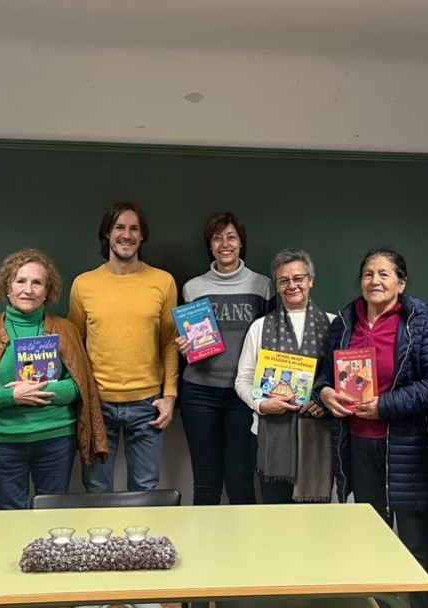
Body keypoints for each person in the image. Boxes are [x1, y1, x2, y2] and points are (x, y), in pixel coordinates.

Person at [314, 247, 428, 608]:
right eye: (368, 274)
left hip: (409, 451)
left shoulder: (422, 322)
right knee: (373, 545)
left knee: (417, 549)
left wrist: (384, 406)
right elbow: (323, 375)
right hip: (358, 446)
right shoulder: (344, 322)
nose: (375, 280)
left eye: (384, 274)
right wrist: (325, 393)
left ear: (401, 283)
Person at [0, 249, 108, 509]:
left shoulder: (66, 329)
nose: (29, 289)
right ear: (7, 287)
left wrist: (43, 389)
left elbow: (79, 387)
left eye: (37, 282)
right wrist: (11, 396)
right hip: (3, 442)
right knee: (8, 514)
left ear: (48, 291)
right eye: (20, 281)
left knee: (51, 514)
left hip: (56, 439)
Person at [68, 201, 179, 492]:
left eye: (134, 228)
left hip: (148, 404)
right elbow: (74, 345)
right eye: (119, 227)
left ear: (143, 236)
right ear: (107, 233)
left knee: (144, 489)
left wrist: (170, 396)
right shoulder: (83, 284)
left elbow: (169, 342)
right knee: (96, 488)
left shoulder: (163, 282)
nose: (126, 235)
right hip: (96, 404)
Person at [178, 212, 275, 505]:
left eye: (231, 237)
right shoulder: (193, 288)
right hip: (199, 393)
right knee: (206, 483)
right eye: (217, 238)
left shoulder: (263, 285)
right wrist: (184, 345)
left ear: (241, 243)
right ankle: (204, 549)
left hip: (242, 395)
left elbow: (270, 340)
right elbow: (188, 335)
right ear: (209, 245)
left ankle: (242, 549)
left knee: (241, 481)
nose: (225, 244)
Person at [235, 248, 332, 504]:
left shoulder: (334, 325)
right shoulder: (260, 327)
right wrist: (261, 405)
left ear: (311, 280)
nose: (292, 285)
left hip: (319, 434)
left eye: (298, 278)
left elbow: (339, 380)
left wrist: (325, 403)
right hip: (270, 435)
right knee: (275, 515)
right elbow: (242, 379)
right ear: (277, 286)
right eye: (284, 280)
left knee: (316, 520)